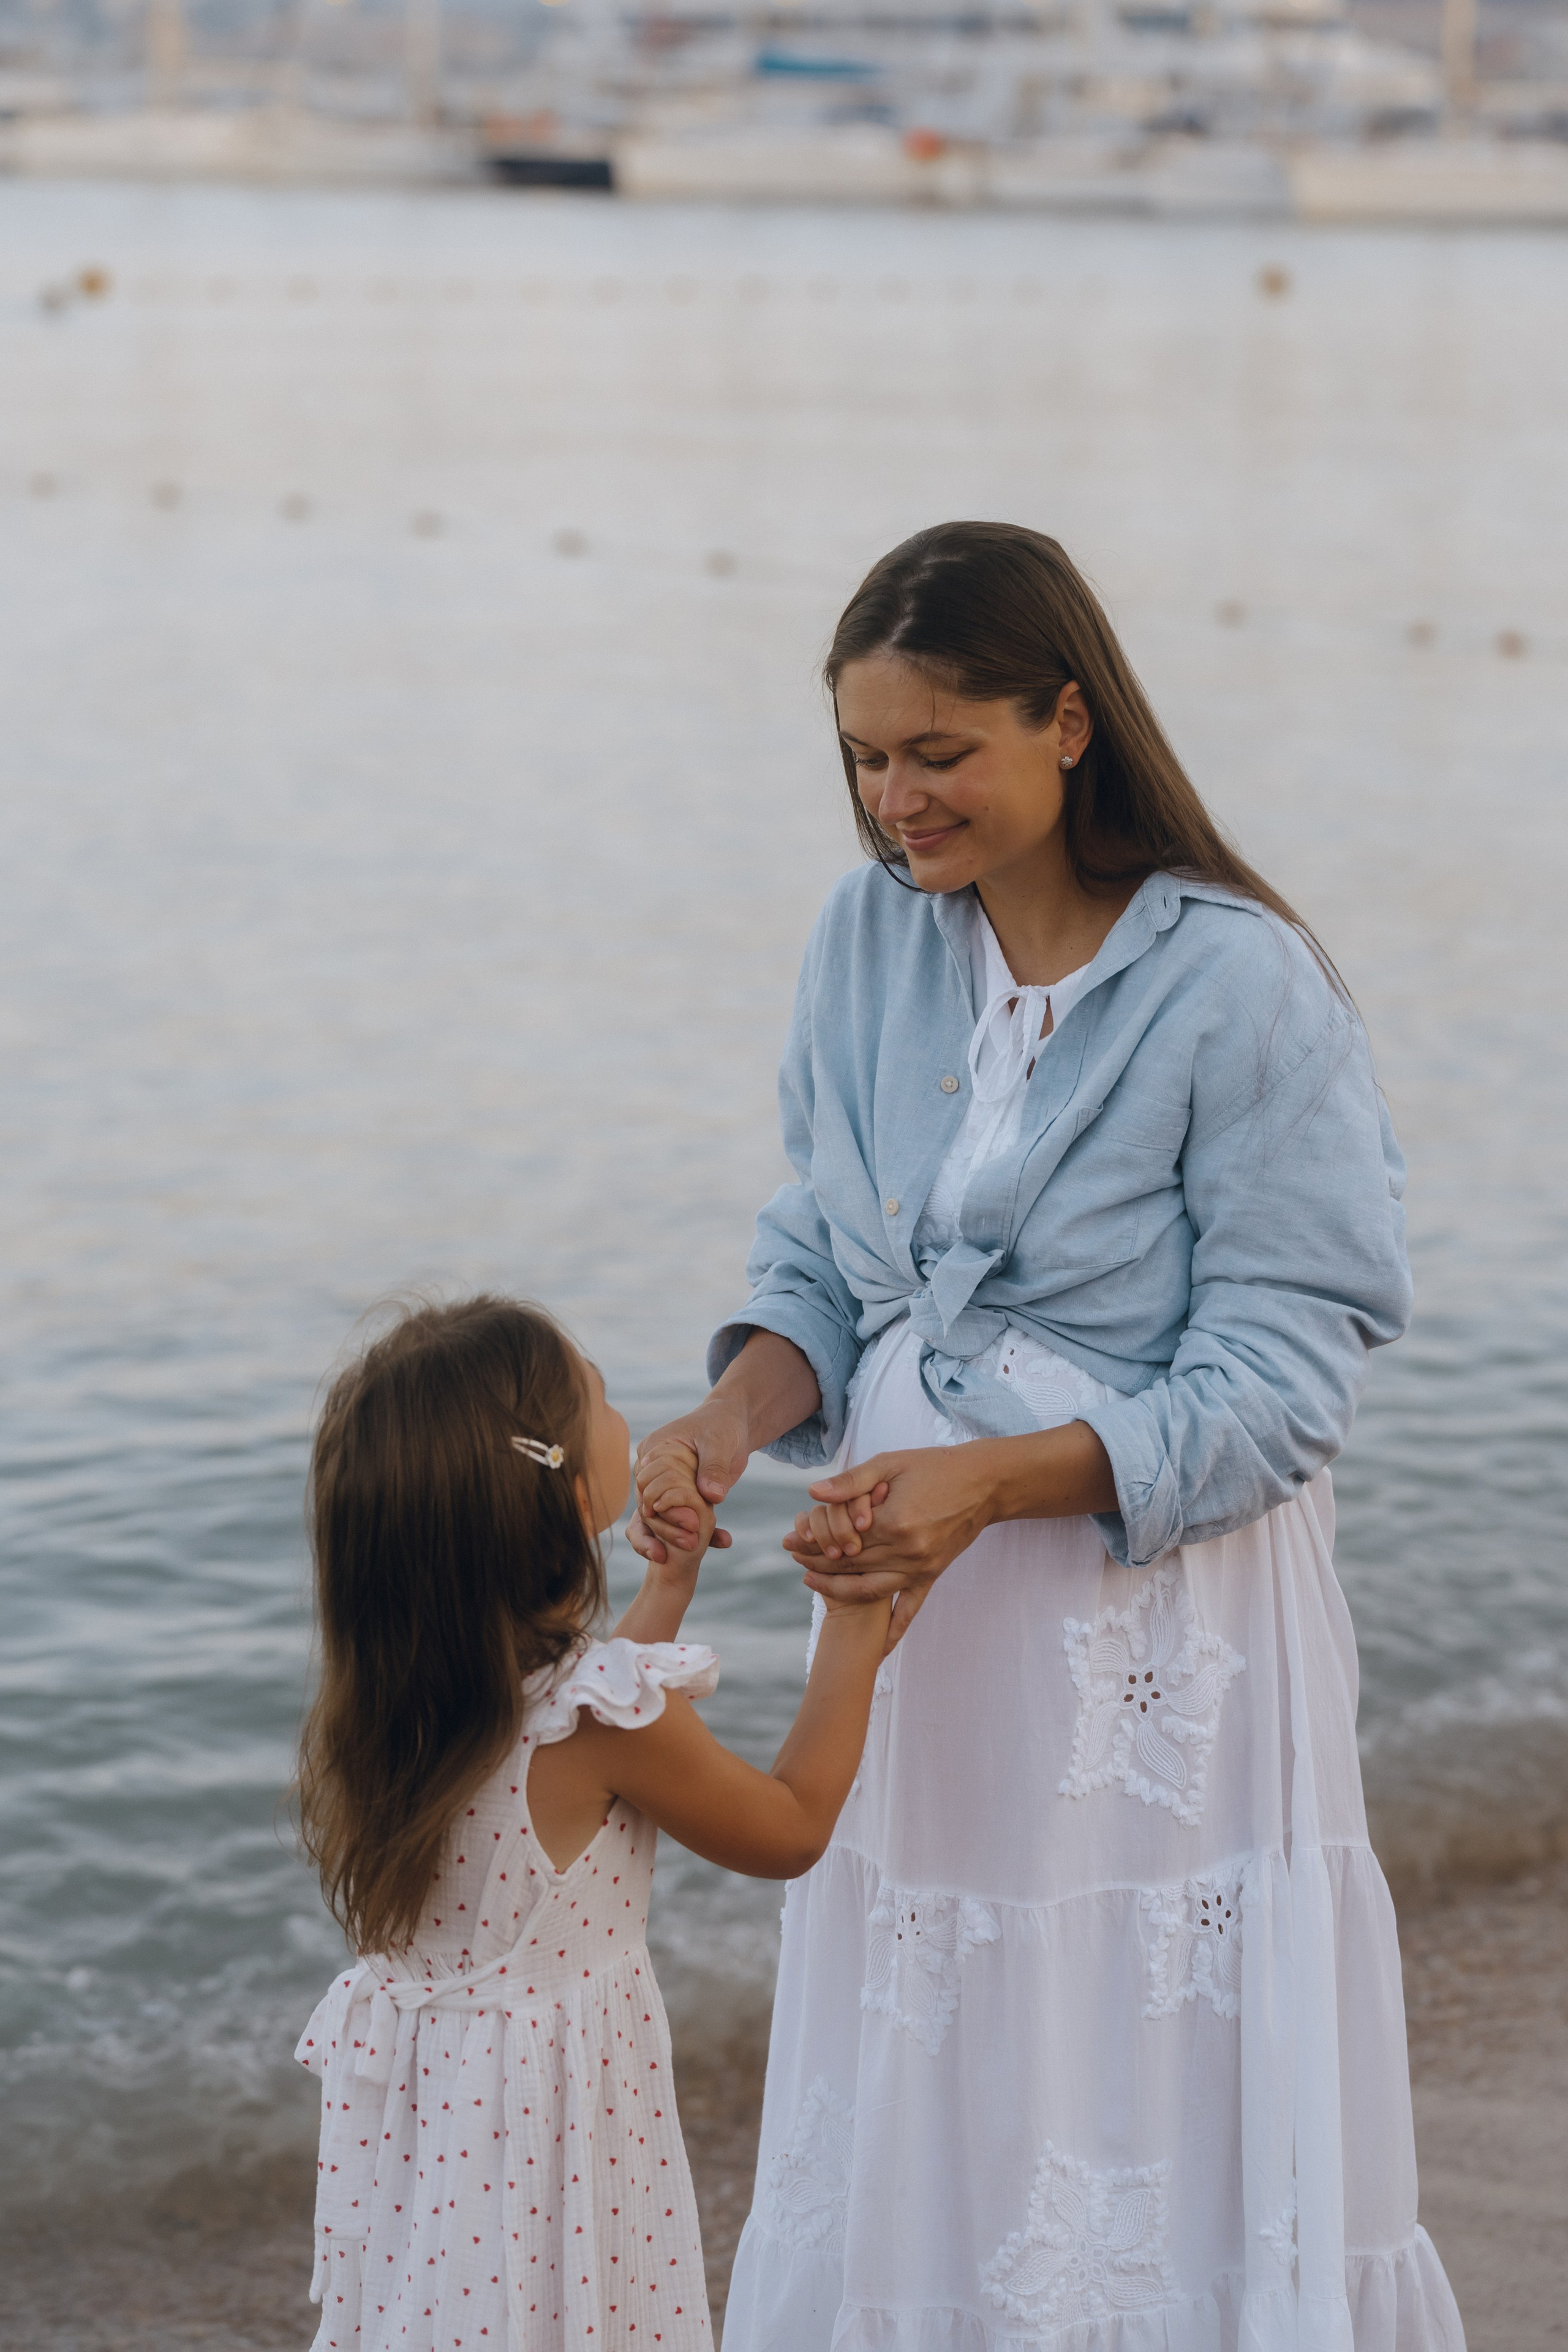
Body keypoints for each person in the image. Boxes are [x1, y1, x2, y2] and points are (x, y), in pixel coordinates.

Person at [631, 524, 1466, 2348]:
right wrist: (731, 1410)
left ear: (1069, 720)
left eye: (940, 753)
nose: (893, 800)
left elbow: (1286, 1381)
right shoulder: (866, 940)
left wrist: (989, 1489)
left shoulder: (1242, 987)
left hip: (1152, 1643)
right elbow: (825, 1257)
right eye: (865, 756)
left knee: (1133, 2031)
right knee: (939, 2012)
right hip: (921, 1639)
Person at [293, 1294, 891, 2352]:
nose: (624, 1417)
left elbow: (581, 1734)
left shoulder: (413, 1713)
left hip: (446, 2154)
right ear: (563, 1493)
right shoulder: (601, 1720)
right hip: (552, 2139)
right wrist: (855, 1622)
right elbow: (791, 1826)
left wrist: (670, 1583)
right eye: (602, 1397)